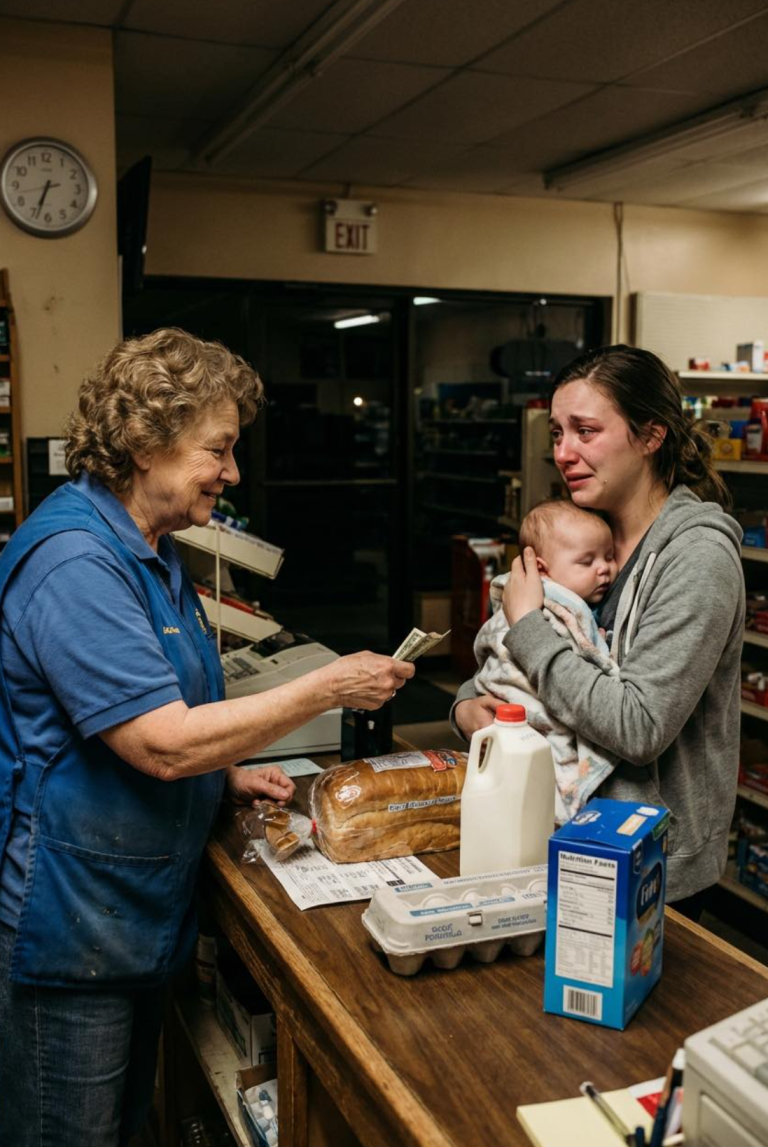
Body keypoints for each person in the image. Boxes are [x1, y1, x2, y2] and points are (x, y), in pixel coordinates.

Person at [0, 327, 415, 1147]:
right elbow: (160, 742)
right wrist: (326, 687)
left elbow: (125, 716)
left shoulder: (149, 551)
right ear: (145, 441)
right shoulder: (76, 561)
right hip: (73, 932)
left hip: (132, 913)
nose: (231, 471)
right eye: (218, 449)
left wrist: (219, 777)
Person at [454, 344, 745, 919]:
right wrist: (466, 708)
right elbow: (506, 655)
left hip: (651, 868)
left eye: (585, 431)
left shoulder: (697, 558)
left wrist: (530, 624)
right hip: (559, 839)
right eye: (557, 432)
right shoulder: (583, 537)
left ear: (651, 435)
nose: (564, 452)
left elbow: (638, 726)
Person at [473, 498, 620, 823]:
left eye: (610, 556)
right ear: (541, 569)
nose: (604, 568)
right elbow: (591, 659)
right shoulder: (558, 608)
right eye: (587, 561)